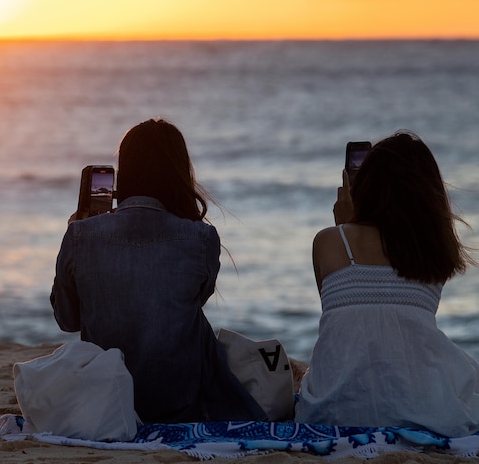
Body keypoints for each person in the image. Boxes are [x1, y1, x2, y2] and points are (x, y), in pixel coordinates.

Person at [51, 118, 265, 424]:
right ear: (179, 174)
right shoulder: (201, 238)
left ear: (123, 173)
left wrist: (77, 235)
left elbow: (67, 320)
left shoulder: (81, 235)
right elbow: (190, 303)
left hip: (108, 402)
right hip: (178, 403)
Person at [295, 131, 479, 436]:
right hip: (422, 401)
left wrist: (344, 226)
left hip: (333, 411)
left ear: (365, 186)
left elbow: (345, 332)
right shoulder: (432, 253)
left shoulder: (329, 240)